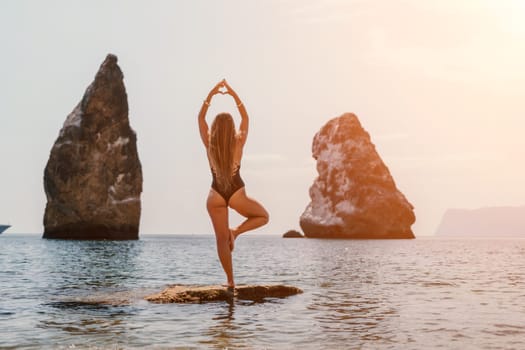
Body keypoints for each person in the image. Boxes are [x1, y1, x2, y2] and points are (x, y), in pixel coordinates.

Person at [198, 79, 269, 288]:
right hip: (237, 192)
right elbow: (245, 117)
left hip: (215, 194)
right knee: (263, 217)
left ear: (215, 129)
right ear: (230, 128)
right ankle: (236, 232)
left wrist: (211, 94)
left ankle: (230, 281)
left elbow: (200, 117)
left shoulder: (209, 144)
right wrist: (232, 94)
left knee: (221, 239)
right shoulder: (239, 143)